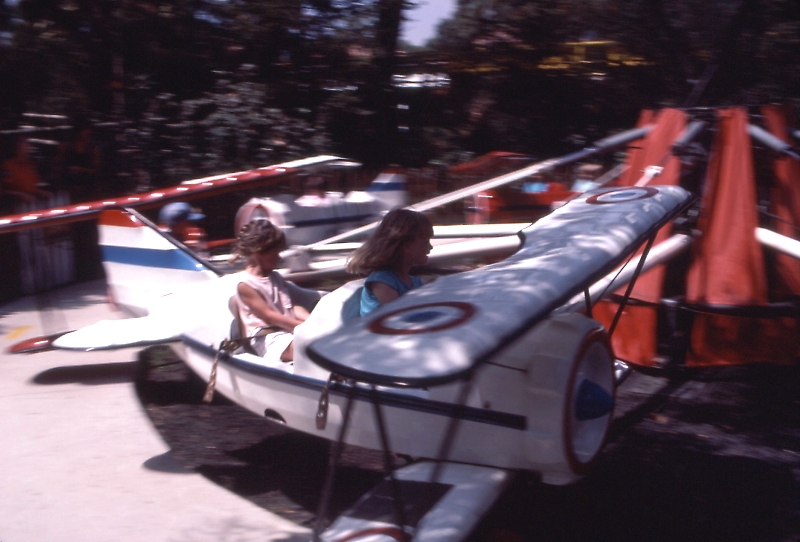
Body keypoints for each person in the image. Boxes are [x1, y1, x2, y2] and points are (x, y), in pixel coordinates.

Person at [230, 219, 310, 362]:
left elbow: (291, 307)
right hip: (266, 338)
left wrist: (312, 321)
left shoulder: (275, 277)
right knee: (309, 348)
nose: (279, 257)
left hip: (286, 331)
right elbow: (269, 316)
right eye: (276, 253)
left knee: (323, 342)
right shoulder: (245, 285)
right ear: (259, 252)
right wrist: (304, 327)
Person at [346, 208, 433, 317]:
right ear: (406, 246)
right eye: (425, 242)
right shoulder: (382, 282)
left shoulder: (416, 283)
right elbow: (400, 319)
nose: (430, 247)